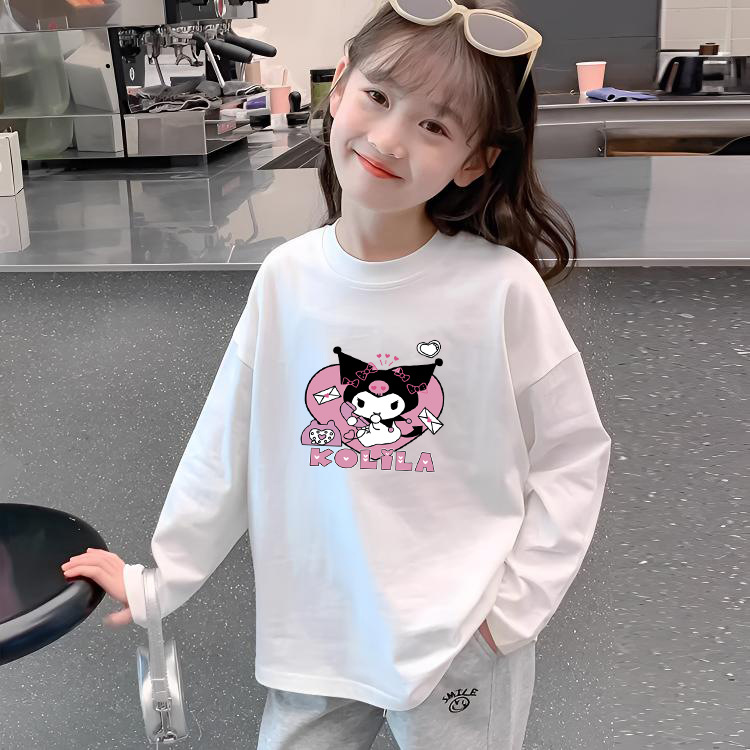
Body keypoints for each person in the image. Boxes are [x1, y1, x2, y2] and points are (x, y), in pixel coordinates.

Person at [60, 1, 612, 748]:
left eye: (436, 126)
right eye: (379, 96)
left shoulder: (501, 290)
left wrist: (508, 615)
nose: (389, 139)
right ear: (340, 85)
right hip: (316, 637)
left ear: (476, 160)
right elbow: (228, 443)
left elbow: (573, 457)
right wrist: (161, 579)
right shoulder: (287, 280)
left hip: (461, 643)